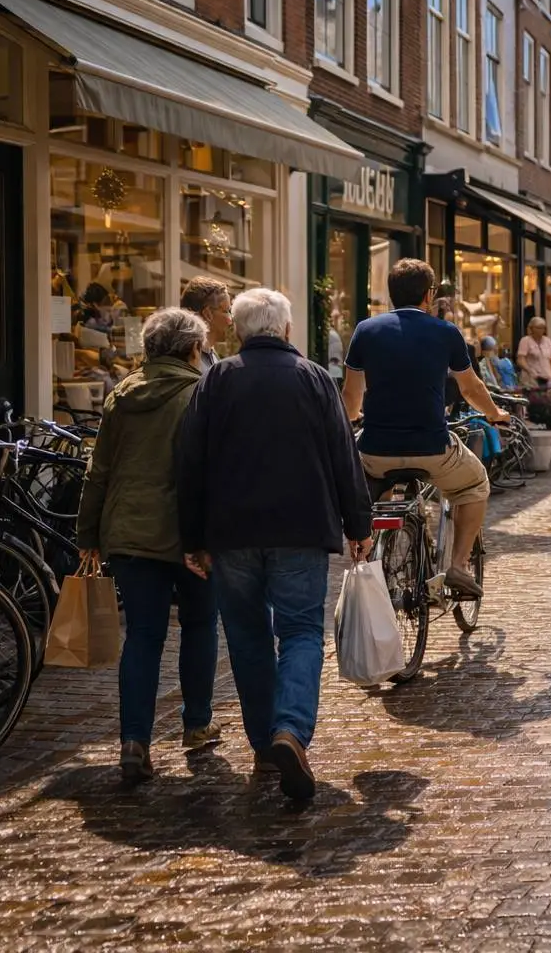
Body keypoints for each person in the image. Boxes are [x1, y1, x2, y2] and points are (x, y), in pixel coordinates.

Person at [178, 289, 373, 801]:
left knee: (246, 639)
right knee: (302, 632)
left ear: (240, 331)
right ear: (286, 330)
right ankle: (290, 730)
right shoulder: (312, 378)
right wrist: (358, 522)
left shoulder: (217, 379)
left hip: (232, 533)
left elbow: (190, 462)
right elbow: (342, 454)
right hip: (300, 530)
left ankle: (265, 744)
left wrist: (193, 538)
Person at [77, 309, 218, 785]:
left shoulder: (122, 393)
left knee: (142, 636)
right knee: (199, 625)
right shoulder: (201, 393)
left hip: (129, 531)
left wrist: (88, 534)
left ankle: (134, 741)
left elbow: (100, 470)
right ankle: (196, 725)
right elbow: (207, 471)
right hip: (187, 535)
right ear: (192, 349)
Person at [342, 260, 506, 597]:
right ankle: (458, 566)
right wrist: (495, 413)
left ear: (390, 294)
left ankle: (374, 555)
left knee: (371, 483)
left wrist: (351, 420)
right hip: (431, 448)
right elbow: (471, 388)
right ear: (429, 295)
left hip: (377, 449)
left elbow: (351, 396)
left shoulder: (365, 330)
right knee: (475, 484)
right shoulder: (445, 332)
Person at [180, 276, 232, 372]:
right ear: (207, 313)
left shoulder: (210, 354)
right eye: (227, 311)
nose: (230, 320)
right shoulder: (189, 361)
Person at [517, 316, 551, 389]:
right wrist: (530, 370)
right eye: (538, 328)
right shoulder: (525, 341)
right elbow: (520, 359)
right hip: (531, 379)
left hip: (546, 378)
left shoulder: (548, 341)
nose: (541, 330)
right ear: (532, 328)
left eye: (543, 328)